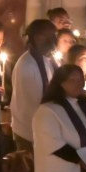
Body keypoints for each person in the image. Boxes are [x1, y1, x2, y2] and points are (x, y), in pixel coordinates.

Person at [9, 18, 59, 151]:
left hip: (42, 129)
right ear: (37, 37)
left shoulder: (47, 60)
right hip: (28, 132)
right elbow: (35, 101)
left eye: (55, 36)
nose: (54, 40)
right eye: (50, 36)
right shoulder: (26, 64)